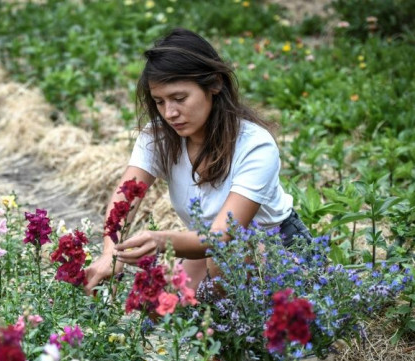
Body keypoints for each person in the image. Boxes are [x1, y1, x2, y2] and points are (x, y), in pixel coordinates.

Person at [83, 27, 313, 297]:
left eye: (180, 98)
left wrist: (161, 241)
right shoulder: (158, 137)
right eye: (159, 101)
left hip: (275, 247)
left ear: (215, 84)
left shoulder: (255, 145)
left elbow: (223, 238)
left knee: (224, 261)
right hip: (211, 247)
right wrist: (111, 252)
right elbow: (126, 197)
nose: (170, 113)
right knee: (160, 303)